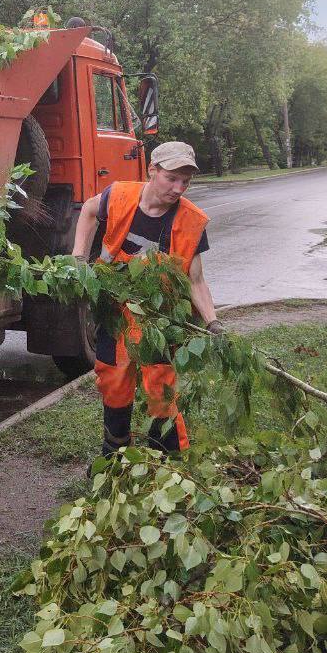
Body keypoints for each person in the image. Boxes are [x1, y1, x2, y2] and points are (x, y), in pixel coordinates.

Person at [70, 142, 222, 457]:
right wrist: (78, 258)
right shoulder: (119, 196)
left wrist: (213, 321)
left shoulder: (191, 222)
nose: (178, 188)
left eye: (185, 181)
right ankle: (116, 456)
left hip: (159, 318)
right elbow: (87, 210)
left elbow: (196, 280)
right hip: (114, 309)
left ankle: (165, 461)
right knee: (113, 380)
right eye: (171, 178)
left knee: (161, 387)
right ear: (152, 170)